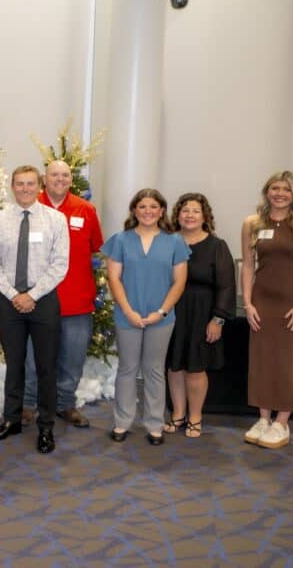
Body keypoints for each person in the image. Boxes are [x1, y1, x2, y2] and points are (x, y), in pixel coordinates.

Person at [0, 166, 69, 455]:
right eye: (19, 184)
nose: (25, 189)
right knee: (14, 364)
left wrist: (31, 295)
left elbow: (60, 264)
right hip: (9, 302)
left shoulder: (55, 220)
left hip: (43, 300)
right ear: (12, 185)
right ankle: (12, 419)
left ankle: (46, 426)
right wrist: (14, 295)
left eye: (30, 184)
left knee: (46, 367)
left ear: (39, 185)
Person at [241, 171, 293, 449]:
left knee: (290, 363)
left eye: (286, 189)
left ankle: (281, 422)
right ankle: (264, 419)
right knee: (262, 361)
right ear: (267, 192)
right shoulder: (252, 223)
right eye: (275, 188)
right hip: (263, 303)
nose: (280, 193)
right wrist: (248, 303)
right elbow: (248, 265)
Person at [102, 188, 189, 446]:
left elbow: (179, 282)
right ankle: (122, 421)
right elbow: (114, 278)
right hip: (126, 315)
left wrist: (160, 311)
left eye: (153, 207)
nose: (148, 211)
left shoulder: (175, 242)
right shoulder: (120, 240)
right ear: (134, 210)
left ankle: (154, 423)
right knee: (127, 369)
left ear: (162, 211)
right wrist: (128, 311)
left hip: (161, 317)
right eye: (142, 206)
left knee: (154, 370)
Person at [22, 160, 104, 428]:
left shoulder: (86, 210)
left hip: (77, 300)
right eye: (54, 175)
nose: (60, 179)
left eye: (65, 175)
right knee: (33, 358)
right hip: (38, 298)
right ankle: (28, 403)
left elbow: (95, 247)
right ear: (45, 179)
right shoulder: (30, 208)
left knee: (73, 358)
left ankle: (65, 404)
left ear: (71, 179)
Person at [165, 193, 235, 438]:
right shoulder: (167, 242)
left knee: (195, 368)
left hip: (202, 313)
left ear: (205, 216)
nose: (190, 215)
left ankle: (195, 417)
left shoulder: (217, 246)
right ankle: (177, 414)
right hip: (171, 310)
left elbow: (226, 286)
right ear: (178, 215)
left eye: (195, 211)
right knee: (174, 366)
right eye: (185, 211)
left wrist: (218, 319)